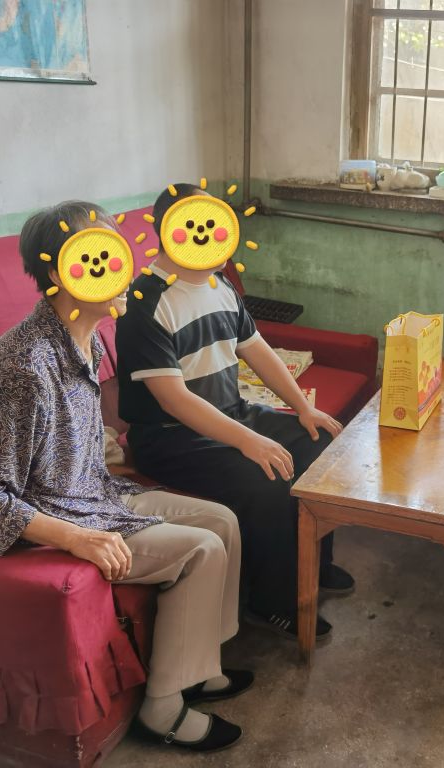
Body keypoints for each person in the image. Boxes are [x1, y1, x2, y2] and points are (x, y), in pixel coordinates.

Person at [0, 202, 251, 752]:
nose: (121, 267)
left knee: (222, 521)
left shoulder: (84, 338)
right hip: (58, 518)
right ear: (59, 271)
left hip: (98, 494)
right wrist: (76, 538)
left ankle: (199, 667)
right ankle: (162, 711)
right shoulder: (22, 367)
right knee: (201, 548)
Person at [115, 183, 351, 641]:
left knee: (320, 444)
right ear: (168, 232)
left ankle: (315, 565)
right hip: (172, 439)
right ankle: (272, 602)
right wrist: (249, 441)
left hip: (233, 412)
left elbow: (256, 349)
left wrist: (303, 409)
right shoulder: (144, 303)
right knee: (267, 478)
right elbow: (173, 400)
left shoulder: (219, 283)